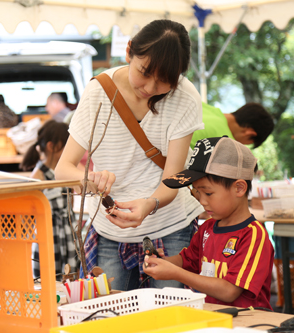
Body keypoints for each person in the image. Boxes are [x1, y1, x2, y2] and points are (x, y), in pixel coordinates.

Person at [54, 19, 205, 291]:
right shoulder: (98, 92)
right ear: (129, 51)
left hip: (171, 227)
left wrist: (149, 204)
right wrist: (92, 179)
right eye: (144, 72)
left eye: (164, 82)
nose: (149, 87)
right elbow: (63, 169)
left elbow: (175, 177)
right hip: (109, 231)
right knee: (112, 316)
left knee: (172, 319)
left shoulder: (185, 96)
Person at [144, 136, 274, 309]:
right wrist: (163, 262)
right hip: (212, 318)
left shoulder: (253, 235)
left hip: (247, 322)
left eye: (208, 193)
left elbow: (229, 291)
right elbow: (187, 260)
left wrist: (176, 274)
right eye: (197, 192)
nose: (202, 201)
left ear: (239, 188)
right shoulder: (207, 228)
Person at [21, 120, 78, 277]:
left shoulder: (63, 172)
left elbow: (69, 202)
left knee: (70, 275)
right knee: (48, 276)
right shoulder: (38, 176)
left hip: (67, 232)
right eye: (66, 147)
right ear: (52, 146)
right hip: (48, 235)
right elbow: (27, 215)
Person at [190, 102, 274, 149]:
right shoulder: (227, 144)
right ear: (249, 133)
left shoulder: (204, 107)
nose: (242, 145)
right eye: (246, 143)